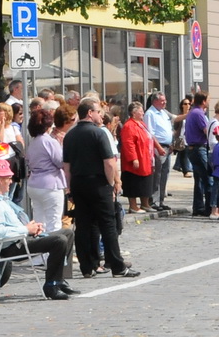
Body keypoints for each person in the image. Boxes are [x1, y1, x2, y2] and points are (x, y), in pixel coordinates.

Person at [0, 157, 75, 300]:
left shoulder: (1, 199)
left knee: (67, 233)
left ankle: (59, 279)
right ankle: (51, 285)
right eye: (9, 178)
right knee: (59, 240)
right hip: (11, 246)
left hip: (20, 238)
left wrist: (32, 228)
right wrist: (27, 230)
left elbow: (12, 226)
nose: (11, 181)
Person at [63, 98, 140, 278]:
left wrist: (70, 189)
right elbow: (109, 163)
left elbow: (66, 167)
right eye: (98, 111)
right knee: (107, 224)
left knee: (83, 225)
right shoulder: (99, 134)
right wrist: (111, 184)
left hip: (78, 183)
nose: (101, 115)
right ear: (90, 113)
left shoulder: (70, 135)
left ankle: (87, 266)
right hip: (98, 182)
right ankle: (117, 266)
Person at [27, 103, 71, 233]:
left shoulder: (33, 142)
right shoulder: (50, 141)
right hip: (50, 184)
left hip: (34, 183)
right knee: (54, 222)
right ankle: (55, 251)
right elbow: (60, 162)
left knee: (40, 221)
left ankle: (41, 252)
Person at [181, 93, 212, 216]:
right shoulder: (198, 113)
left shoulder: (194, 112)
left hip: (194, 148)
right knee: (208, 179)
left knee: (199, 180)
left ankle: (198, 207)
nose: (209, 102)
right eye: (208, 99)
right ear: (203, 101)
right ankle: (209, 208)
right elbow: (206, 131)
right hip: (199, 148)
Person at [119, 103, 154, 213]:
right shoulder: (129, 126)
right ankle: (133, 206)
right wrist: (134, 158)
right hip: (136, 159)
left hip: (145, 158)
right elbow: (128, 143)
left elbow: (150, 137)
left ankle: (145, 204)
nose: (143, 113)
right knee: (133, 182)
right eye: (140, 111)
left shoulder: (141, 124)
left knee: (145, 182)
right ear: (134, 113)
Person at [143, 93, 175, 214]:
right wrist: (158, 147)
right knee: (157, 174)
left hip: (167, 146)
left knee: (164, 174)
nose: (164, 102)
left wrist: (170, 143)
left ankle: (161, 200)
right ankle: (154, 201)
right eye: (162, 100)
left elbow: (168, 129)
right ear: (155, 101)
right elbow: (150, 133)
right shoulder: (150, 114)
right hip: (158, 146)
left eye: (165, 100)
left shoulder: (163, 113)